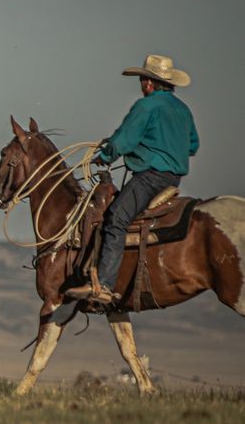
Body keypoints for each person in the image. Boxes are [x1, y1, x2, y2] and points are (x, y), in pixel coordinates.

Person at [67, 54, 199, 306]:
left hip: (151, 178)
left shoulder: (146, 106)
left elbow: (123, 141)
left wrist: (104, 156)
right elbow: (193, 145)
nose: (141, 85)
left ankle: (104, 284)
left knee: (116, 218)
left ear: (149, 83)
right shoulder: (183, 109)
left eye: (142, 80)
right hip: (173, 179)